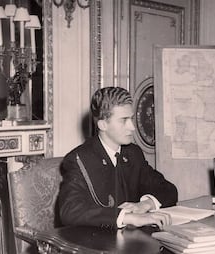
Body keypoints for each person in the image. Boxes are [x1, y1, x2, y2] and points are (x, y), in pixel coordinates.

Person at [58, 87, 178, 230]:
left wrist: (145, 204)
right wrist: (128, 217)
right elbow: (69, 210)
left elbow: (168, 189)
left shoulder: (133, 153)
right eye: (124, 120)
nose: (132, 127)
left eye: (131, 118)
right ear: (103, 125)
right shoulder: (79, 159)